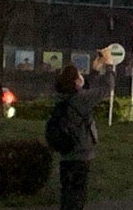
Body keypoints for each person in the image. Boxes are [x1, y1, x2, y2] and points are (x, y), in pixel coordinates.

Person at [50, 50, 114, 210]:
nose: (81, 76)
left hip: (66, 154)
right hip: (80, 154)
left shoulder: (63, 96)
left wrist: (95, 70)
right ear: (75, 81)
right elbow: (106, 89)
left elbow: (84, 91)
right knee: (77, 197)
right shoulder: (80, 100)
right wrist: (110, 66)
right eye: (79, 75)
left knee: (67, 195)